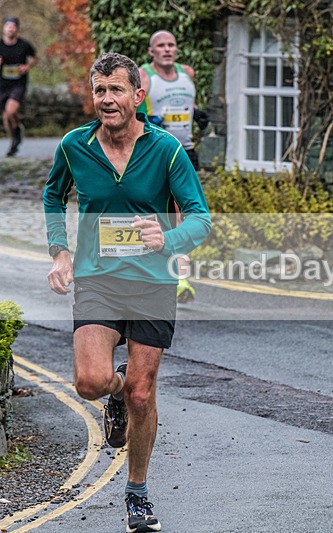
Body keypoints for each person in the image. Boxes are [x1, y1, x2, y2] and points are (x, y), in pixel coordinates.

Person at [43, 52, 211, 532]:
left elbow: (200, 216)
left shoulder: (167, 150)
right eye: (100, 90)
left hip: (153, 282)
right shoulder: (75, 147)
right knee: (90, 383)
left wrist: (169, 239)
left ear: (139, 96)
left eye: (117, 90)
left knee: (143, 394)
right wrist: (60, 251)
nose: (107, 99)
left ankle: (137, 492)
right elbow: (53, 194)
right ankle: (112, 393)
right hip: (97, 279)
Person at [138, 30, 209, 303]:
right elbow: (135, 112)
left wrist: (198, 114)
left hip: (186, 152)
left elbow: (186, 104)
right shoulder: (145, 76)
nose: (167, 49)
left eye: (171, 45)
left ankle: (176, 275)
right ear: (151, 51)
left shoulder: (187, 73)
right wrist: (149, 120)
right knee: (171, 216)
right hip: (158, 154)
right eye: (161, 46)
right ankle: (175, 276)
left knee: (186, 215)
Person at [0, 16, 36, 157]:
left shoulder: (23, 45)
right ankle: (15, 138)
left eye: (13, 26)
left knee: (10, 111)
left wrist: (27, 66)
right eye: (8, 26)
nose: (10, 28)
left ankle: (16, 135)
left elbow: (34, 57)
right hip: (2, 85)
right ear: (4, 28)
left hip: (18, 84)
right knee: (6, 118)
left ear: (16, 29)